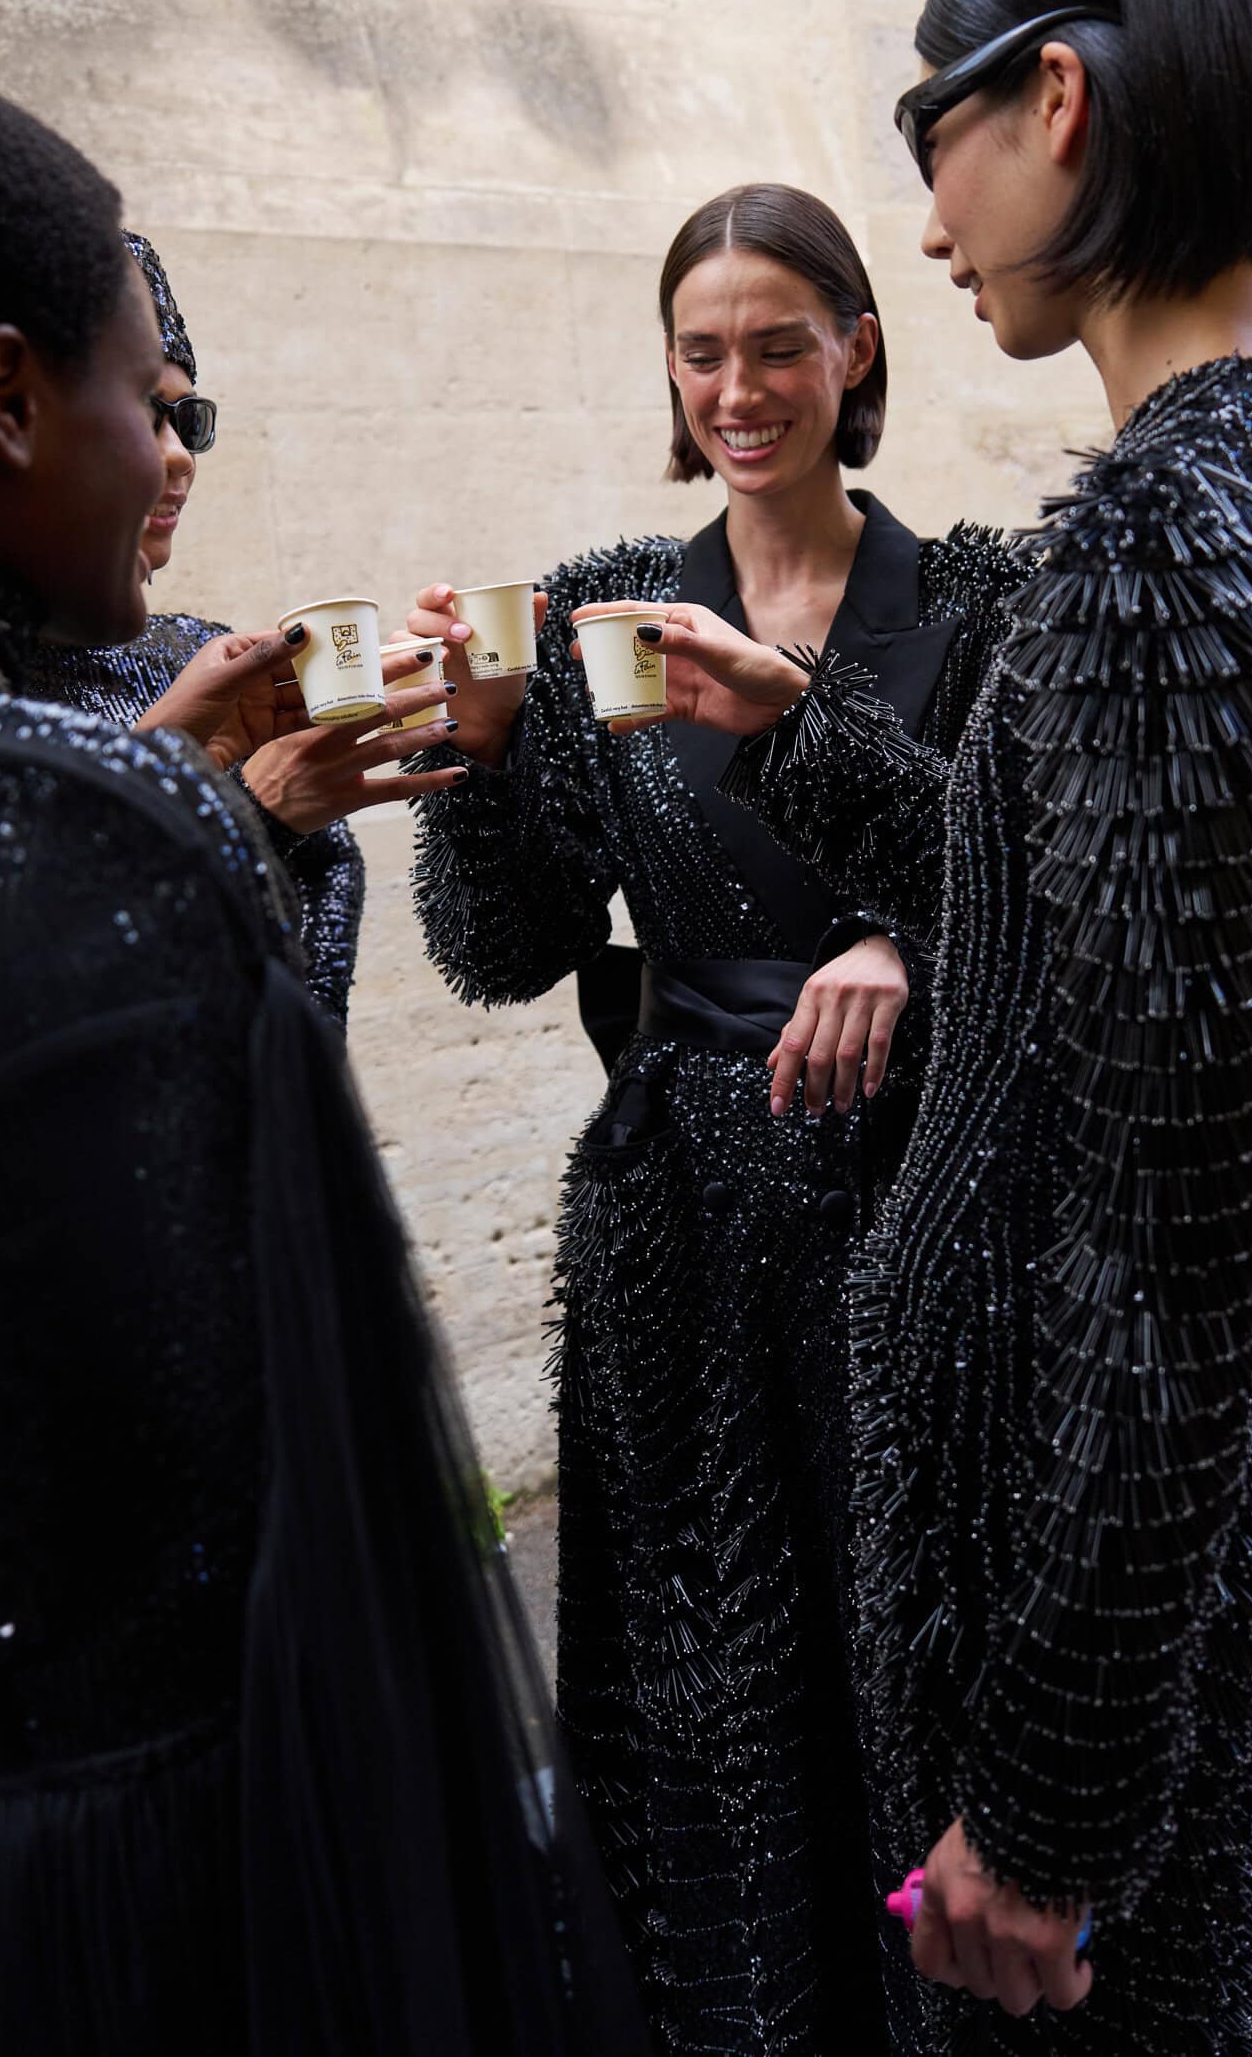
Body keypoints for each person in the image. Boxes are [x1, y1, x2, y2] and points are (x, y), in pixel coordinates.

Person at [0, 0, 645, 2056]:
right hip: (119, 1873)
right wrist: (190, 841)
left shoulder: (107, 754)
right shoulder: (94, 826)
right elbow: (243, 1455)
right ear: (5, 397)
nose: (163, 458)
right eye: (132, 398)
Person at [633, 0, 1252, 2051]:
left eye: (928, 147)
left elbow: (1164, 1214)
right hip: (1164, 1501)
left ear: (1049, 96)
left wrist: (1051, 1795)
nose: (936, 227)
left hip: (1099, 1534)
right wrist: (812, 747)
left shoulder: (1159, 519)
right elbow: (1080, 925)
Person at [404, 182, 1027, 2057]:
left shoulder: (987, 603)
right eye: (702, 352)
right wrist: (479, 764)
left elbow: (1052, 903)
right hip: (681, 1235)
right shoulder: (605, 608)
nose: (740, 387)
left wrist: (909, 946)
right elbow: (502, 954)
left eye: (779, 344)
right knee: (712, 1693)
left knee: (913, 1661)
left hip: (917, 1221)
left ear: (856, 348)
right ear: (671, 379)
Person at [19, 227, 458, 1024]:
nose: (179, 458)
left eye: (188, 421)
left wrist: (491, 744)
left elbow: (301, 1007)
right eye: (137, 413)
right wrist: (241, 812)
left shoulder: (204, 663)